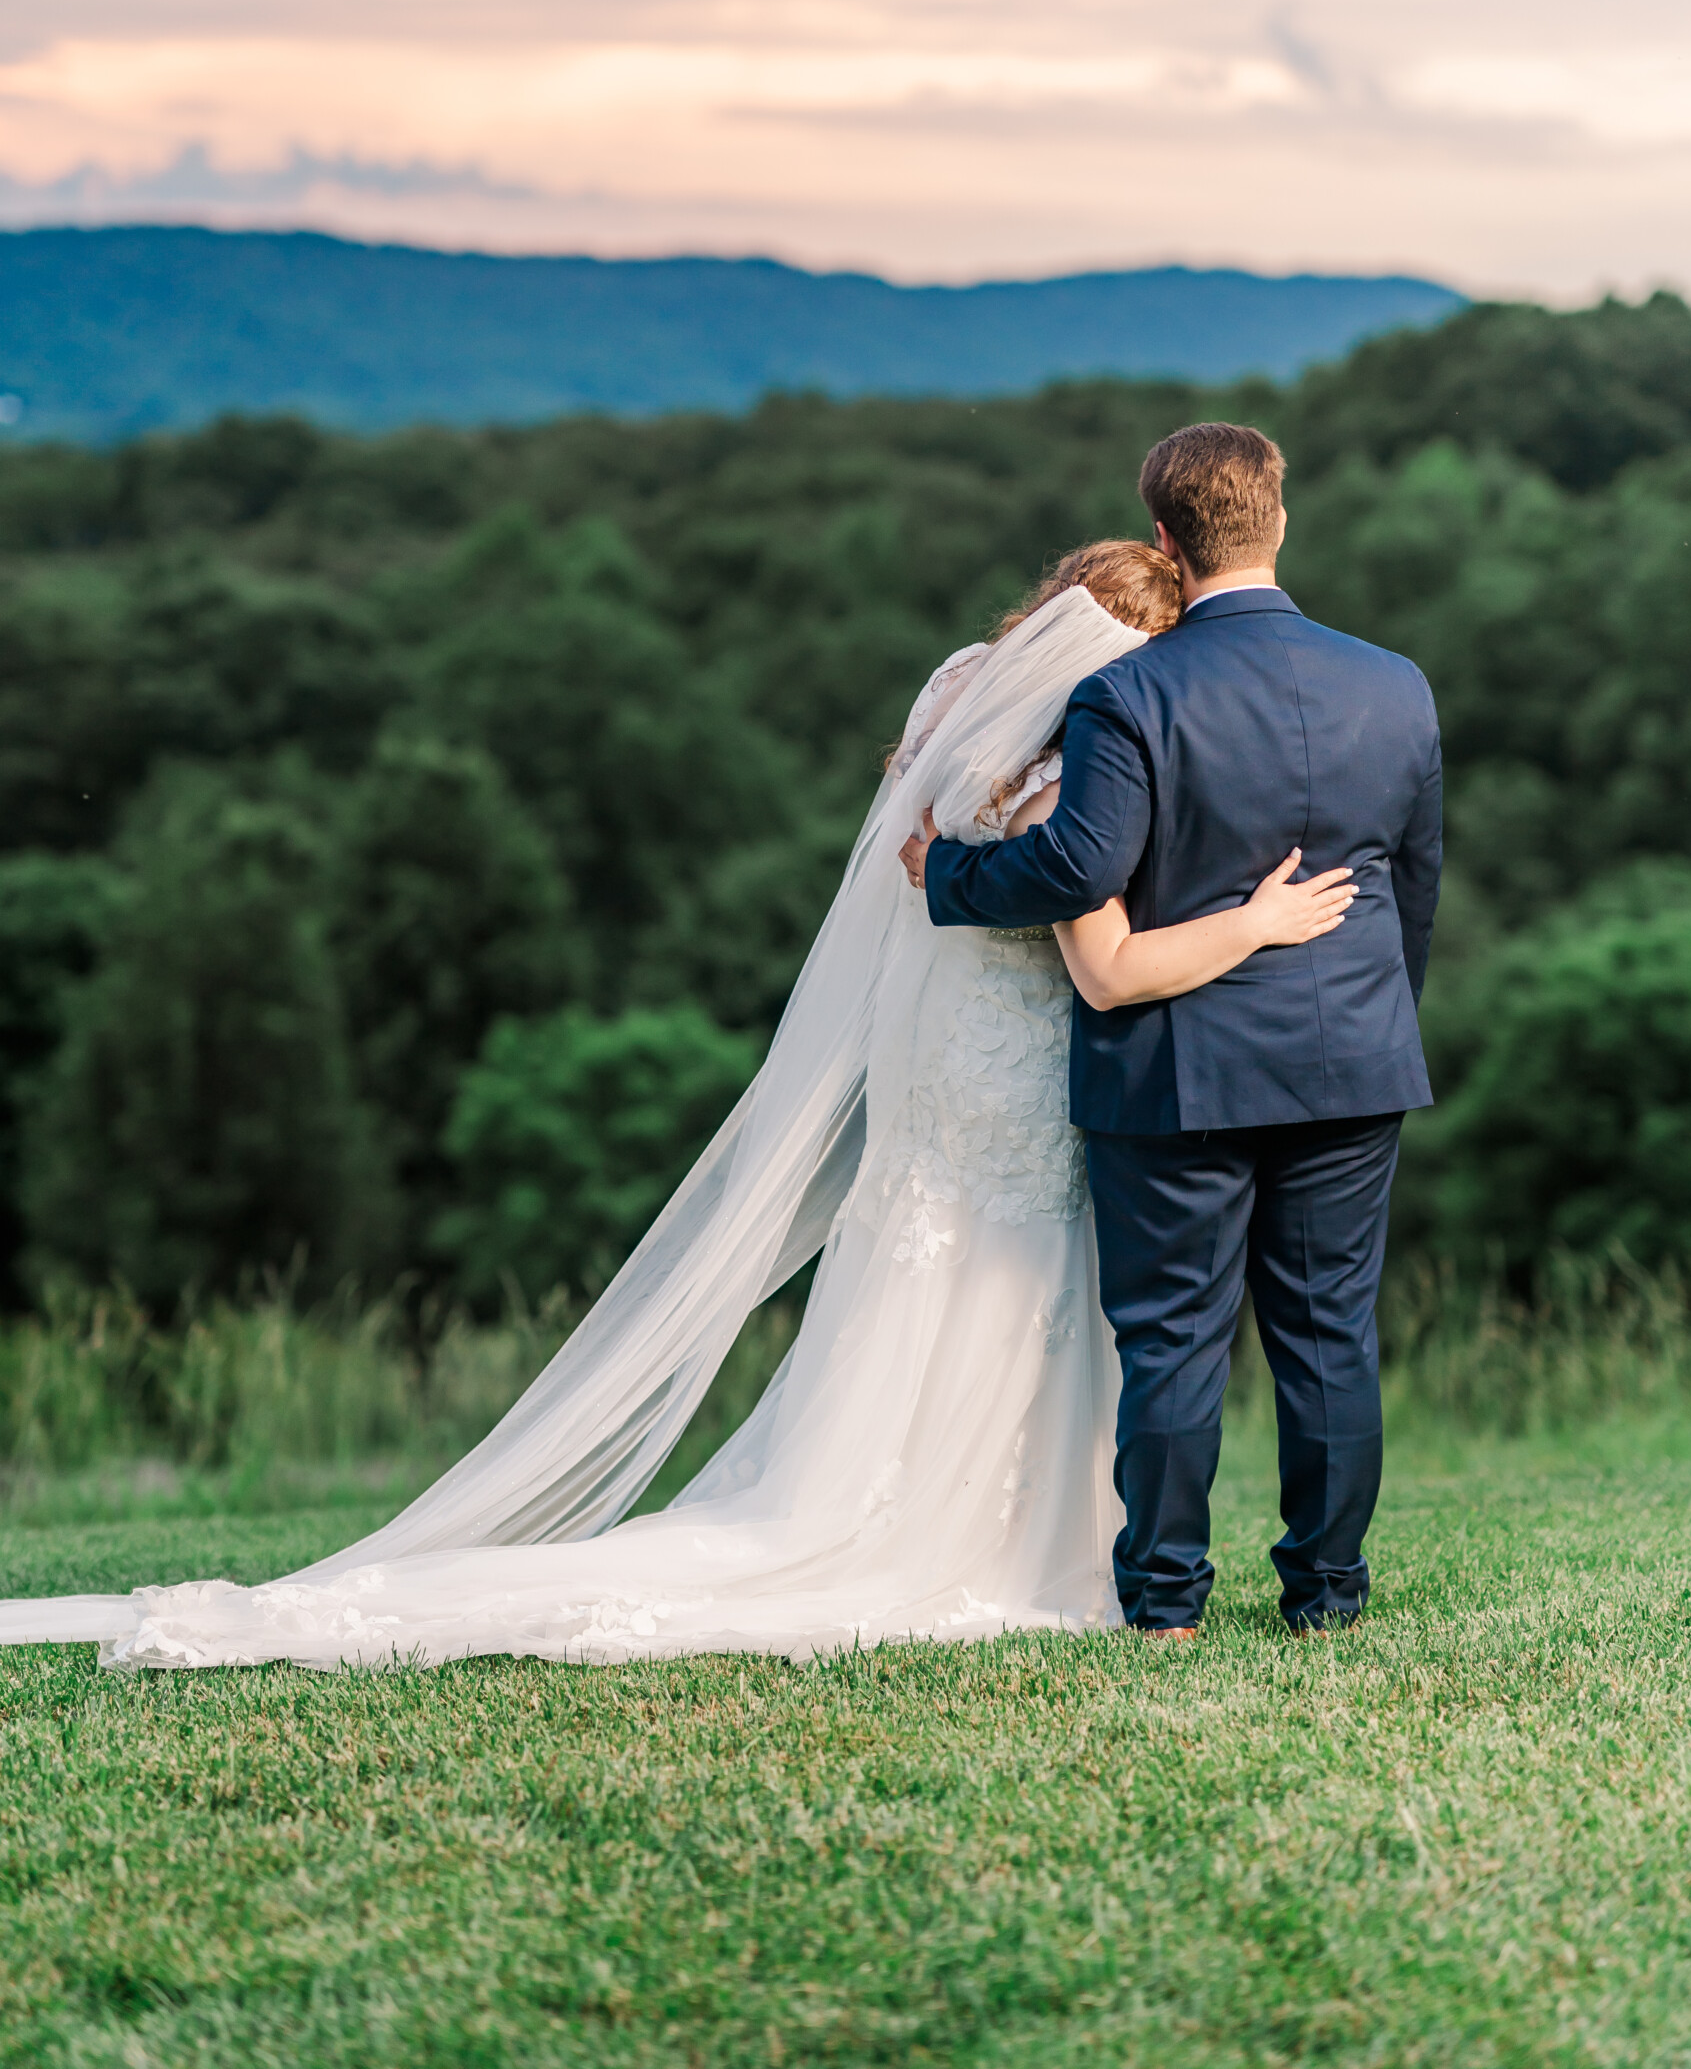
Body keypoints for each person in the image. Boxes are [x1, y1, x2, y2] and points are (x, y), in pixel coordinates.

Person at [0, 536, 1355, 1670]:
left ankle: (901, 1501)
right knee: (1025, 1272)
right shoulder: (1088, 749)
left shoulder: (960, 691)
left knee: (922, 1257)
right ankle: (1003, 1541)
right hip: (1027, 1054)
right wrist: (1258, 919)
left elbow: (903, 851)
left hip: (936, 1049)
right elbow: (1106, 967)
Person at [912, 423, 1442, 1636]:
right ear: (1278, 521)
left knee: (1172, 1345)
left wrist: (947, 875)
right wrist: (1374, 1018)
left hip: (1177, 1066)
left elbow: (1078, 862)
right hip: (1353, 1058)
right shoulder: (1395, 682)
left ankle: (1165, 1599)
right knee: (1328, 1338)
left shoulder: (1128, 692)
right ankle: (1327, 1596)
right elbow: (1415, 884)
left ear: (1164, 536)